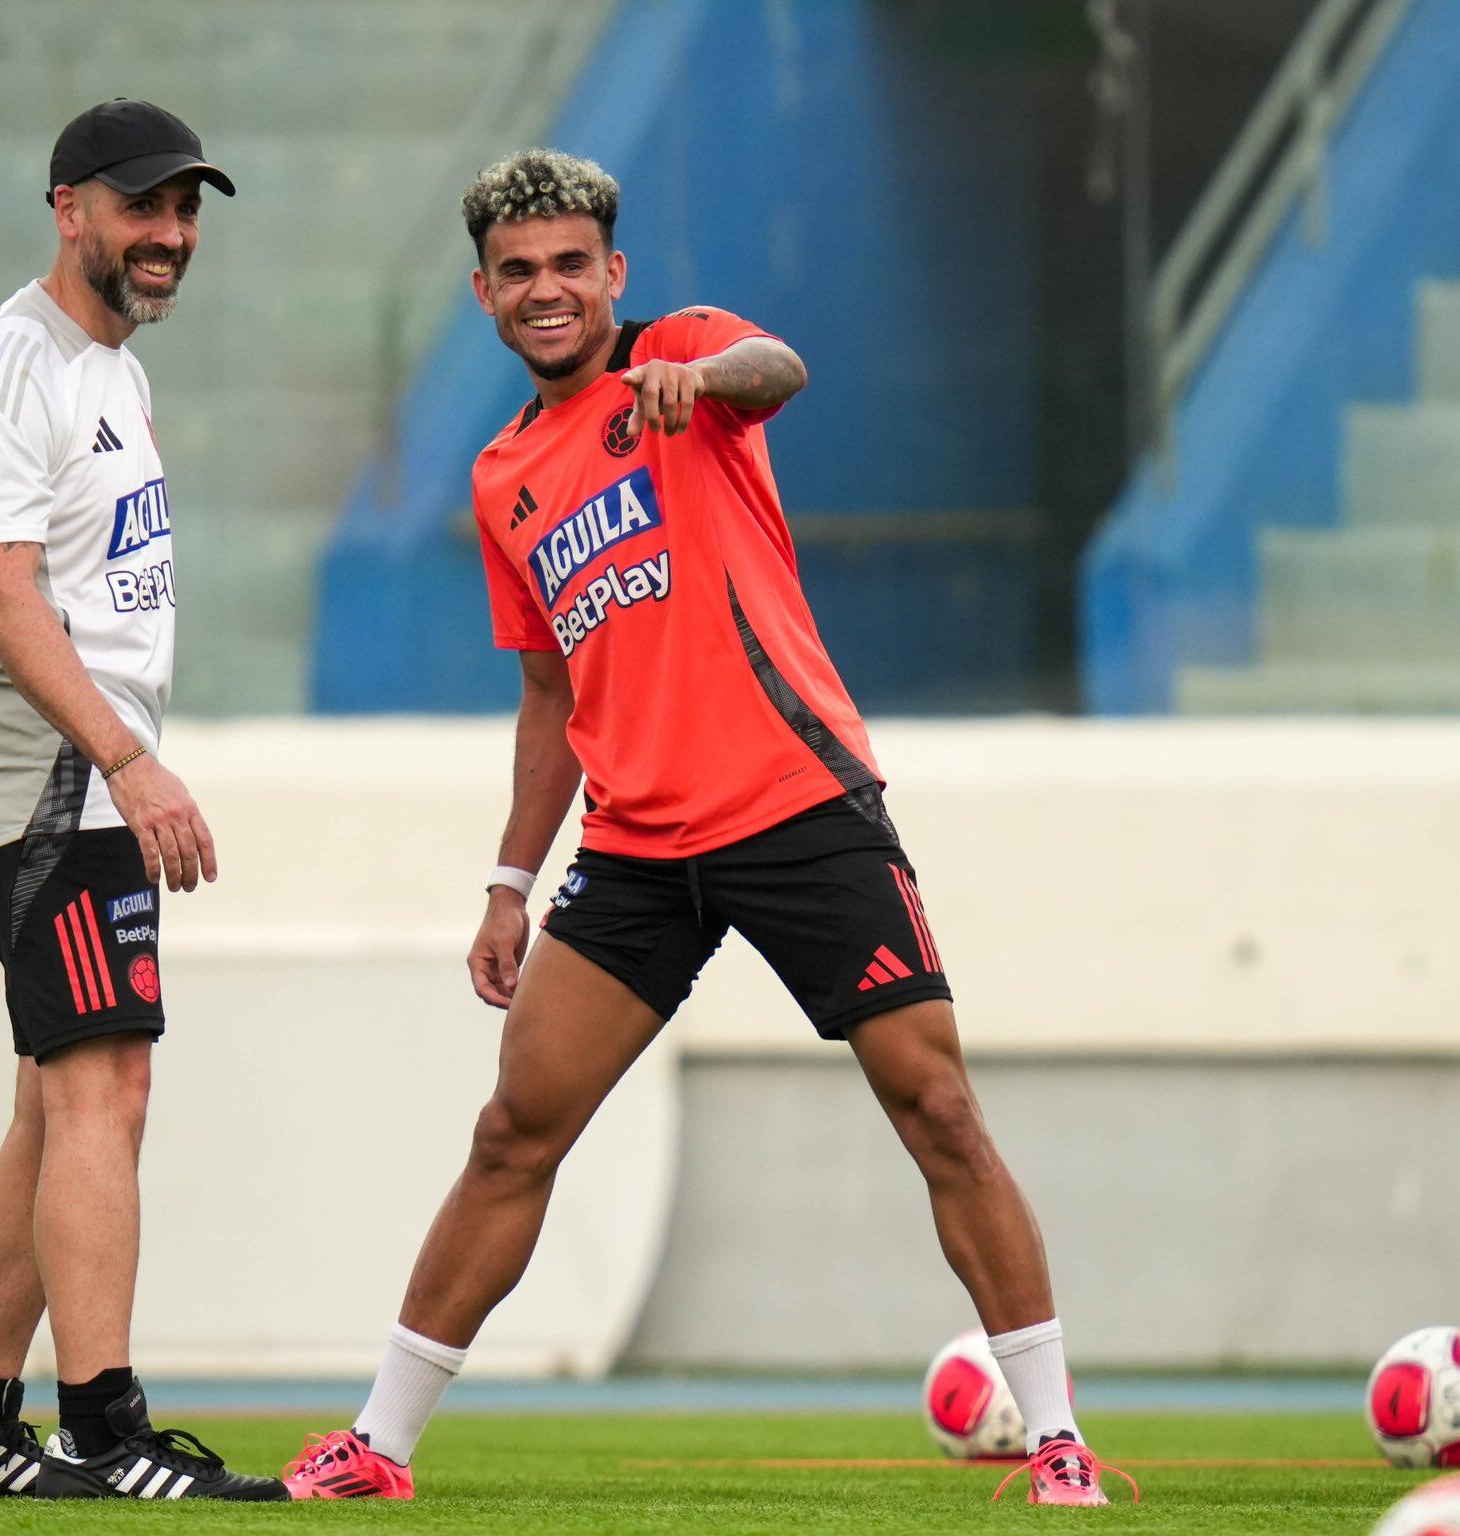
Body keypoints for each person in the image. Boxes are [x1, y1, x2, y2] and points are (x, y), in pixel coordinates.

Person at [281, 149, 1129, 1509]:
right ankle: (377, 1447)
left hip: (799, 805)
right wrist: (509, 880)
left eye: (570, 266)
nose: (547, 290)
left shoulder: (685, 357)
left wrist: (704, 382)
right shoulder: (506, 476)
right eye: (518, 273)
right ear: (486, 295)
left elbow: (779, 368)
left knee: (939, 1108)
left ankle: (1060, 1442)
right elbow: (552, 689)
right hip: (632, 846)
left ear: (612, 274)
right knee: (514, 1133)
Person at [0, 99, 285, 1503]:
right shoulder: (7, 369)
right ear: (69, 208)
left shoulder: (106, 368)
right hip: (47, 779)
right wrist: (127, 760)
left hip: (78, 777)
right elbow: (3, 595)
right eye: (142, 207)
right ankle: (104, 1431)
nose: (170, 234)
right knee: (107, 1086)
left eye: (186, 210)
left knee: (56, 1102)